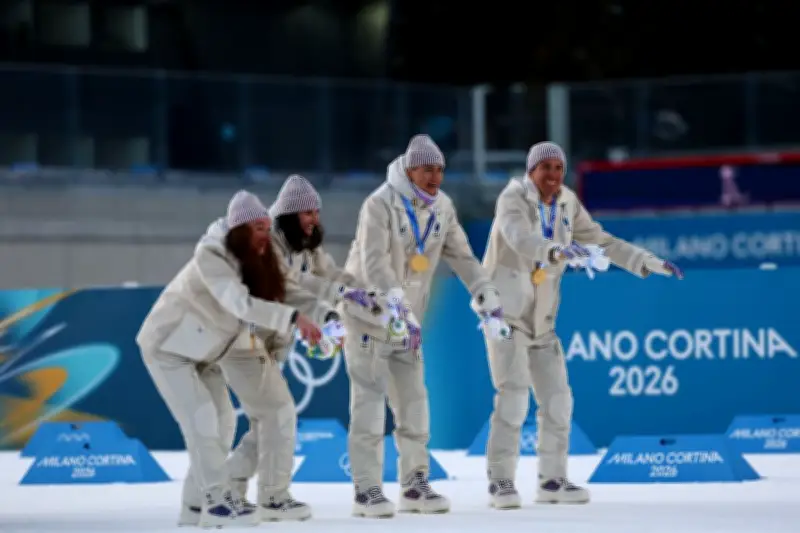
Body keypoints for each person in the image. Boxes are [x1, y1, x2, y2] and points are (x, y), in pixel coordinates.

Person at [479, 142, 684, 509]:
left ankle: (553, 481)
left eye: (559, 167)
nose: (554, 174)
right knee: (513, 398)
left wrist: (646, 261)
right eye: (546, 167)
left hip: (543, 320)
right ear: (531, 171)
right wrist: (555, 250)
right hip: (505, 315)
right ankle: (501, 482)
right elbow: (519, 238)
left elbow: (601, 240)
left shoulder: (567, 202)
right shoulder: (512, 198)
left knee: (558, 400)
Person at [136, 190, 331, 528]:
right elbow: (238, 303)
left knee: (224, 423)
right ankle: (217, 501)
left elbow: (285, 290)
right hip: (168, 348)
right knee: (202, 422)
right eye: (257, 227)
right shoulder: (211, 254)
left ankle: (194, 508)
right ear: (238, 228)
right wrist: (293, 318)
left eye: (266, 226)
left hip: (206, 353)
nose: (264, 234)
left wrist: (325, 315)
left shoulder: (257, 255)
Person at [339, 134, 505, 518]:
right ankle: (366, 490)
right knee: (368, 406)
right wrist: (395, 301)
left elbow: (462, 255)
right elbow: (374, 262)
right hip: (367, 315)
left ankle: (414, 485)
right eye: (427, 169)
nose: (435, 177)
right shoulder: (379, 204)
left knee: (414, 405)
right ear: (409, 169)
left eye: (440, 170)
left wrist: (485, 291)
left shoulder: (443, 207)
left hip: (406, 323)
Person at [226, 175, 376, 521]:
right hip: (245, 342)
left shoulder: (307, 247)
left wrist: (366, 294)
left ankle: (230, 488)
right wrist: (330, 310)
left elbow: (334, 275)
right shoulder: (270, 245)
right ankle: (272, 497)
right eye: (307, 212)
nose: (314, 219)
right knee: (278, 415)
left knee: (267, 422)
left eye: (317, 212)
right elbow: (295, 286)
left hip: (269, 345)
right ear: (290, 215)